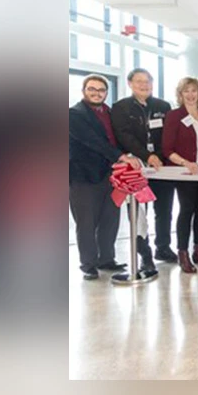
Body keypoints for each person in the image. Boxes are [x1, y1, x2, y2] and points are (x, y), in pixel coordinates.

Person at [69, 75, 142, 280]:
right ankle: (88, 264)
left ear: (106, 93)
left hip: (111, 175)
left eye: (101, 90)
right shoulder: (74, 114)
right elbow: (92, 141)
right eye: (92, 89)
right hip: (84, 177)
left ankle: (107, 259)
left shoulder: (109, 113)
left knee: (110, 218)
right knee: (86, 222)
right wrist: (121, 156)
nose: (97, 93)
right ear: (84, 90)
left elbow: (119, 137)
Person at [111, 68, 176, 267]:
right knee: (138, 212)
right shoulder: (120, 107)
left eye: (147, 81)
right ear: (130, 84)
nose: (143, 85)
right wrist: (148, 156)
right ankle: (144, 252)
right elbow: (124, 137)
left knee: (164, 209)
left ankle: (163, 248)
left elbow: (169, 134)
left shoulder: (163, 106)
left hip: (161, 167)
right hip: (136, 167)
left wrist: (162, 157)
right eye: (139, 81)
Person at [162, 77, 198, 274]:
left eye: (194, 90)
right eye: (186, 91)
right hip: (186, 171)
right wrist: (186, 162)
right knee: (187, 209)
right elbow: (167, 149)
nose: (191, 94)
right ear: (180, 94)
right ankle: (182, 253)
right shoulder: (174, 115)